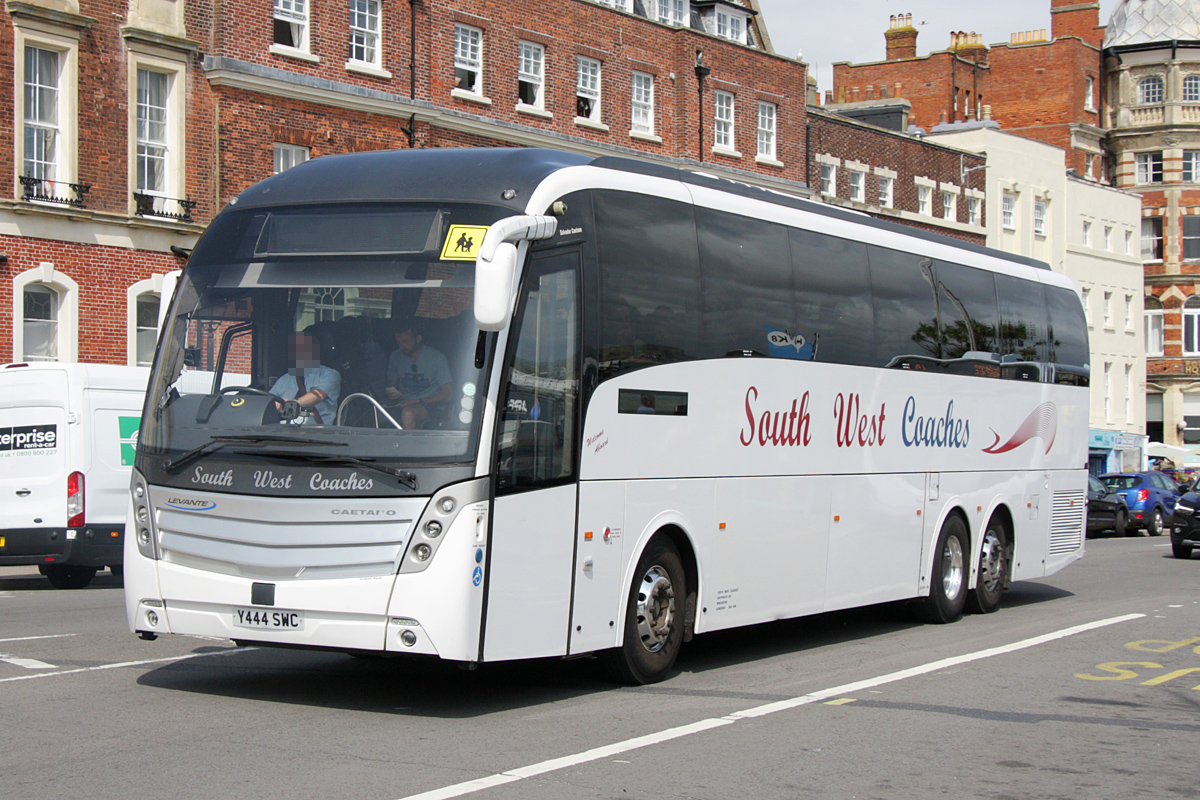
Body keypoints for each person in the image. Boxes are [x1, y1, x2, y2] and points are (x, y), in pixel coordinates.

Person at [386, 322, 452, 429]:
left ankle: (409, 440)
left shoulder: (437, 358)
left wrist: (418, 401)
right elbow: (392, 386)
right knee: (376, 414)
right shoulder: (395, 356)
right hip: (403, 403)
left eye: (405, 342)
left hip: (430, 405)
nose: (402, 347)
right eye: (399, 343)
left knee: (408, 414)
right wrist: (392, 394)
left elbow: (447, 394)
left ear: (418, 339)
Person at [269, 331, 341, 425]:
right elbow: (269, 401)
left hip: (319, 431)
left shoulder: (330, 374)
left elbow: (319, 395)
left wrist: (291, 404)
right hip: (284, 430)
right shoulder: (284, 379)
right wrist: (276, 404)